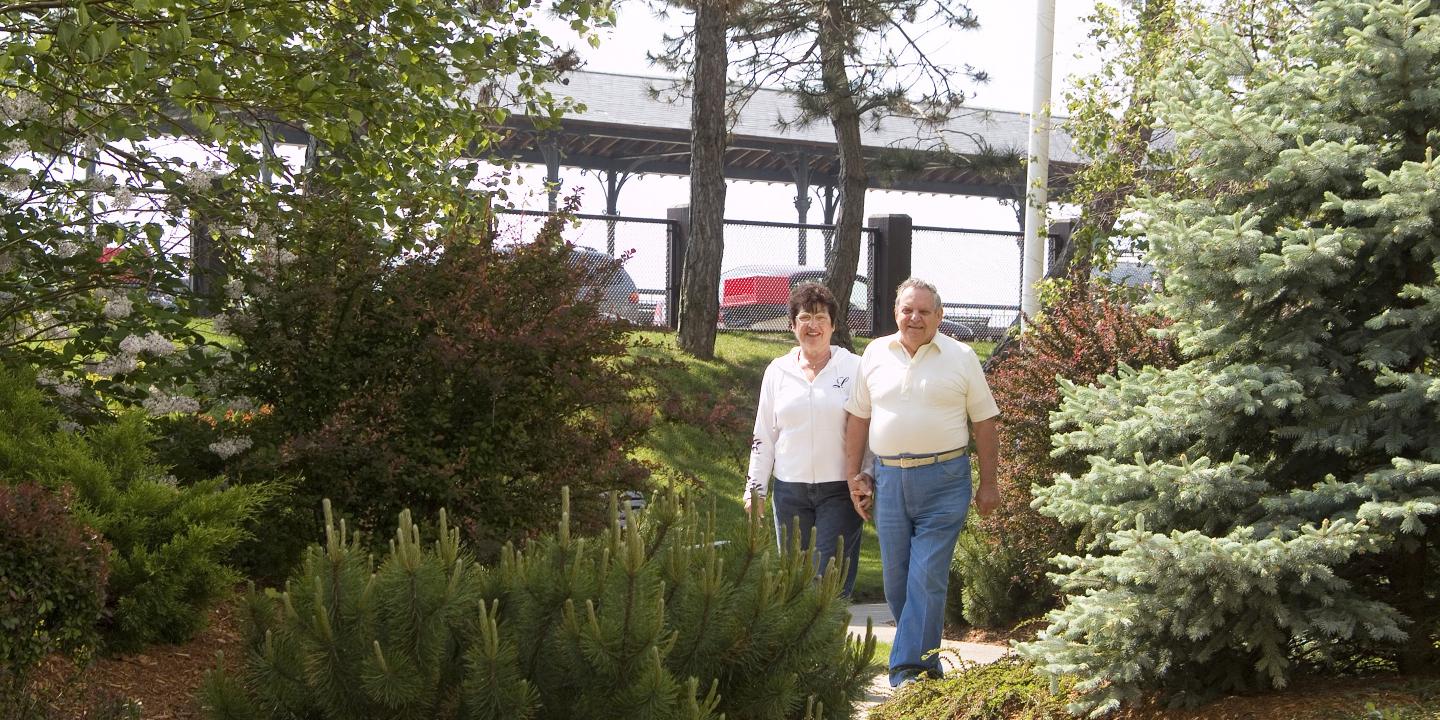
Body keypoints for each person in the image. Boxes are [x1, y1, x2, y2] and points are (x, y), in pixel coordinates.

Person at [843, 277, 1000, 687]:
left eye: (924, 311)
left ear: (939, 316)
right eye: (907, 310)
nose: (914, 318)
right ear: (896, 312)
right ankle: (928, 665)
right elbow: (859, 417)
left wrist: (989, 484)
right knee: (898, 582)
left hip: (944, 479)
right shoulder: (875, 353)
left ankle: (906, 670)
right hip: (889, 481)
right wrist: (854, 474)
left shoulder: (962, 356)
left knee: (926, 574)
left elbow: (985, 422)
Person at [745, 282, 873, 597]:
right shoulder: (777, 371)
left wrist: (867, 477)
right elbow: (764, 435)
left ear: (834, 325)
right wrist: (755, 489)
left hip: (840, 493)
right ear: (792, 325)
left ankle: (831, 646)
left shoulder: (856, 369)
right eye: (804, 318)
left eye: (820, 318)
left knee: (828, 583)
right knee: (792, 586)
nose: (812, 326)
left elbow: (868, 430)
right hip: (789, 493)